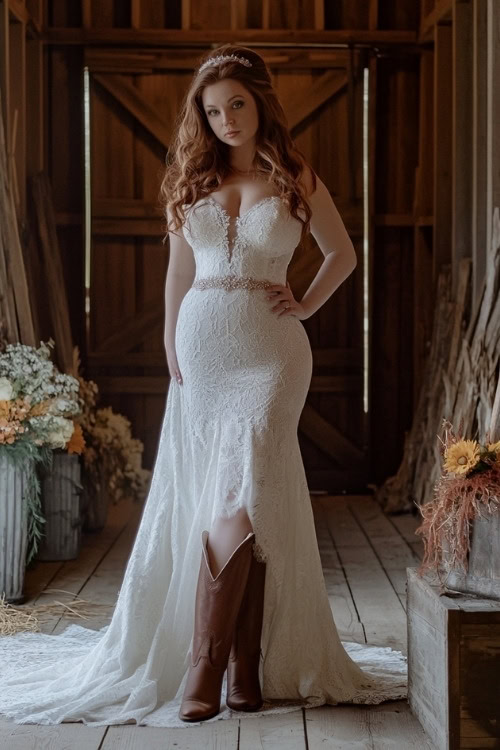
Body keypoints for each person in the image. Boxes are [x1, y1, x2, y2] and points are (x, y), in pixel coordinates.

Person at [0, 44, 406, 729]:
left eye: (236, 105)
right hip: (203, 351)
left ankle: (205, 664)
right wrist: (167, 340)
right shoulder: (191, 179)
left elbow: (344, 253)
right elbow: (177, 276)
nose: (226, 121)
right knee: (243, 499)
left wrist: (305, 303)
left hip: (273, 354)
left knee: (241, 493)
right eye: (212, 111)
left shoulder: (296, 176)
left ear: (260, 102)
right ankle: (243, 670)